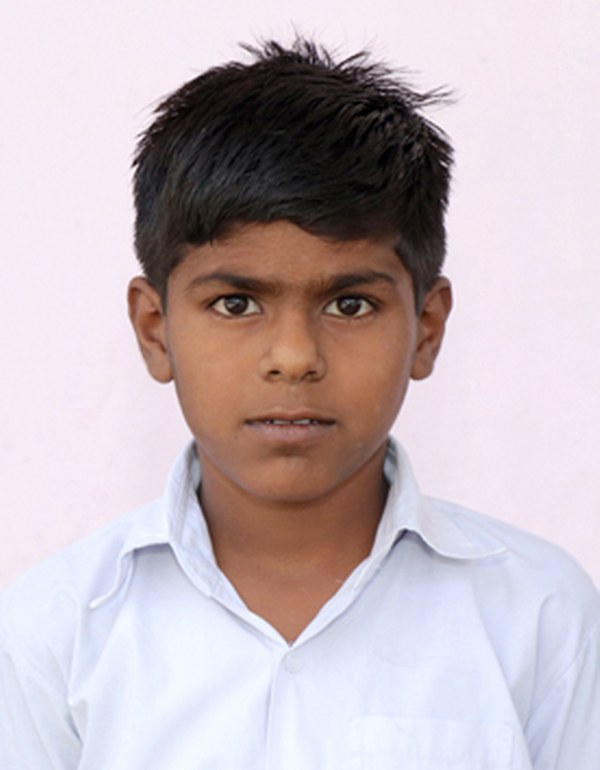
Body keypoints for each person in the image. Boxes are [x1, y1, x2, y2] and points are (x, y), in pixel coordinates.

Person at [1, 37, 598, 769]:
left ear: (426, 329)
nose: (294, 356)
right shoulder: (58, 629)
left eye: (350, 304)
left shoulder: (539, 615)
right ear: (156, 330)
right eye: (236, 303)